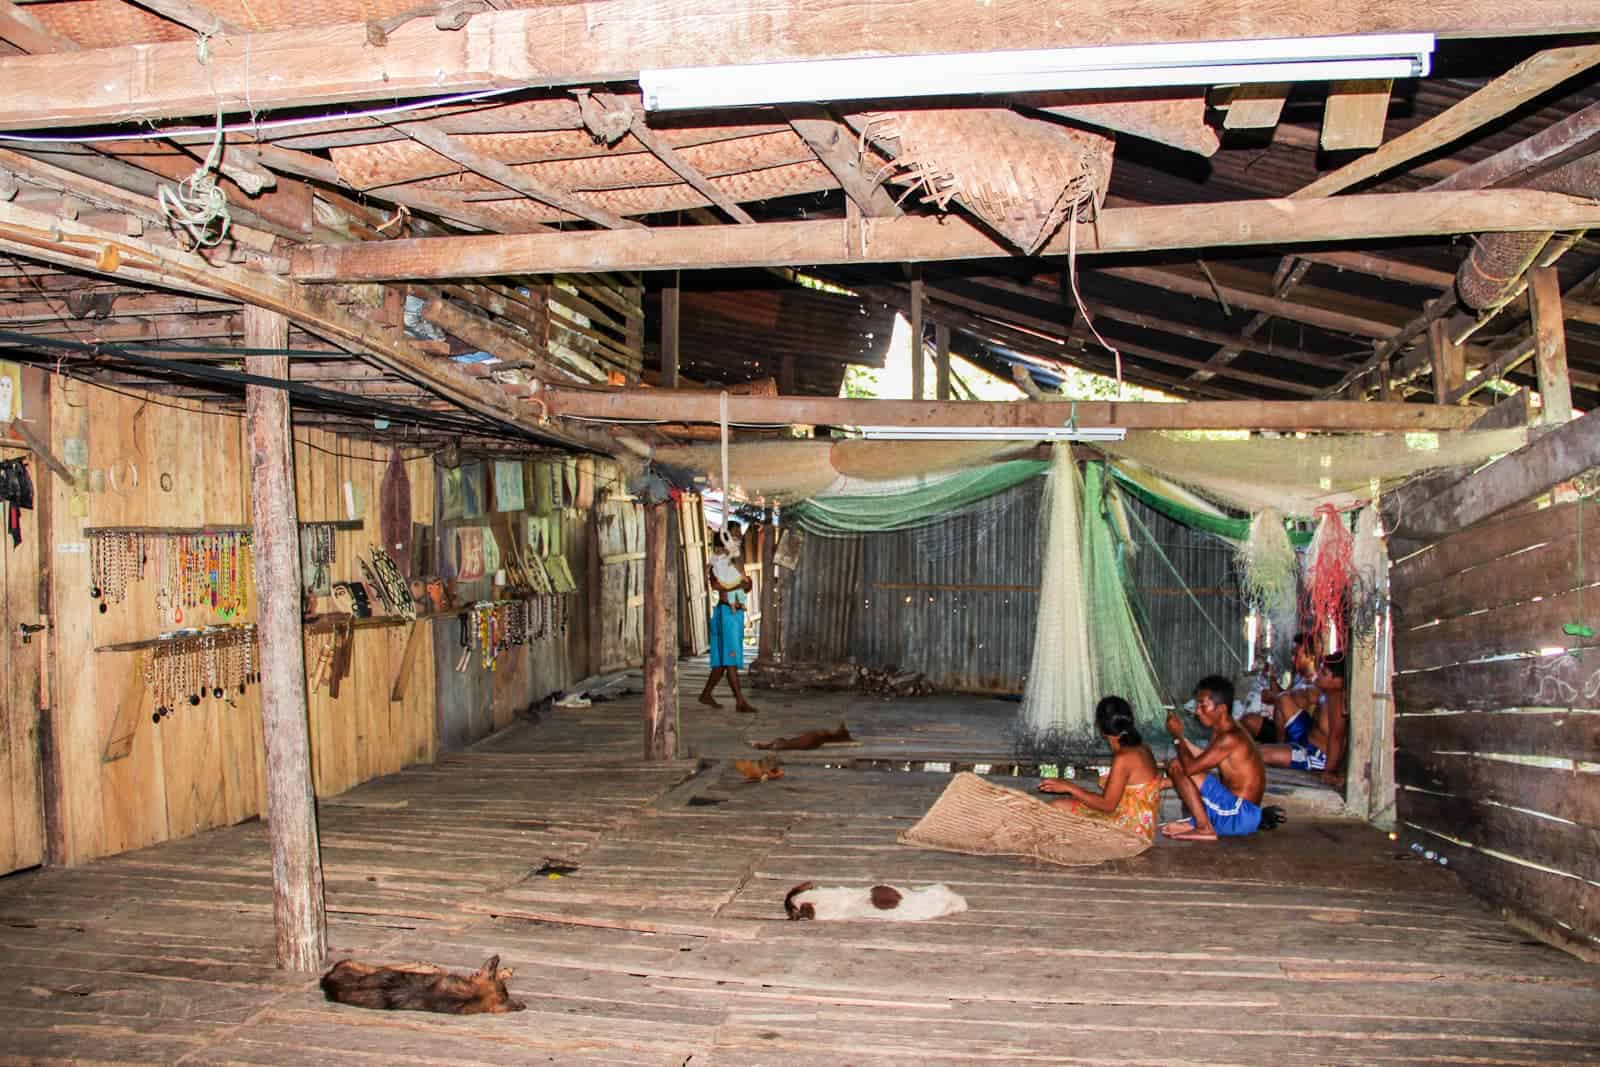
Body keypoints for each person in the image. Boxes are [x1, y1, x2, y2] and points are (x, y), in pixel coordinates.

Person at [1038, 696, 1163, 844]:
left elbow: (1108, 805)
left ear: (1101, 727)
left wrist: (1068, 787)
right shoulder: (1142, 748)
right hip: (1141, 827)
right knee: (1058, 806)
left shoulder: (1124, 757)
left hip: (1129, 832)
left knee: (1054, 817)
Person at [1161, 675, 1267, 842]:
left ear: (1222, 709)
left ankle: (1204, 827)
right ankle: (1199, 822)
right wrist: (1161, 782)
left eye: (1203, 705)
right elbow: (1204, 760)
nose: (1197, 711)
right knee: (1177, 764)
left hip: (1239, 814)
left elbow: (1190, 769)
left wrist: (1177, 737)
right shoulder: (1222, 730)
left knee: (1178, 765)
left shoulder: (1230, 738)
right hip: (1235, 810)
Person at [1260, 650, 1347, 786]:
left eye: (1324, 674)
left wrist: (1329, 771)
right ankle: (1283, 747)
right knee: (1283, 699)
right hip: (1306, 738)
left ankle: (1284, 752)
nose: (1318, 676)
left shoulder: (1337, 700)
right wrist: (1275, 693)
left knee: (1262, 754)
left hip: (1315, 755)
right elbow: (1296, 695)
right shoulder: (1325, 693)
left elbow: (1337, 738)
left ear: (1338, 681)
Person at [699, 521, 757, 714]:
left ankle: (706, 694)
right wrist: (740, 585)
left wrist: (745, 584)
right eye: (735, 534)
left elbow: (747, 586)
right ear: (725, 539)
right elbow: (715, 586)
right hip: (726, 614)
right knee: (729, 659)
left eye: (739, 533)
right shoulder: (717, 561)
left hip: (735, 614)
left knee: (723, 662)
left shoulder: (735, 560)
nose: (739, 537)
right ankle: (740, 701)